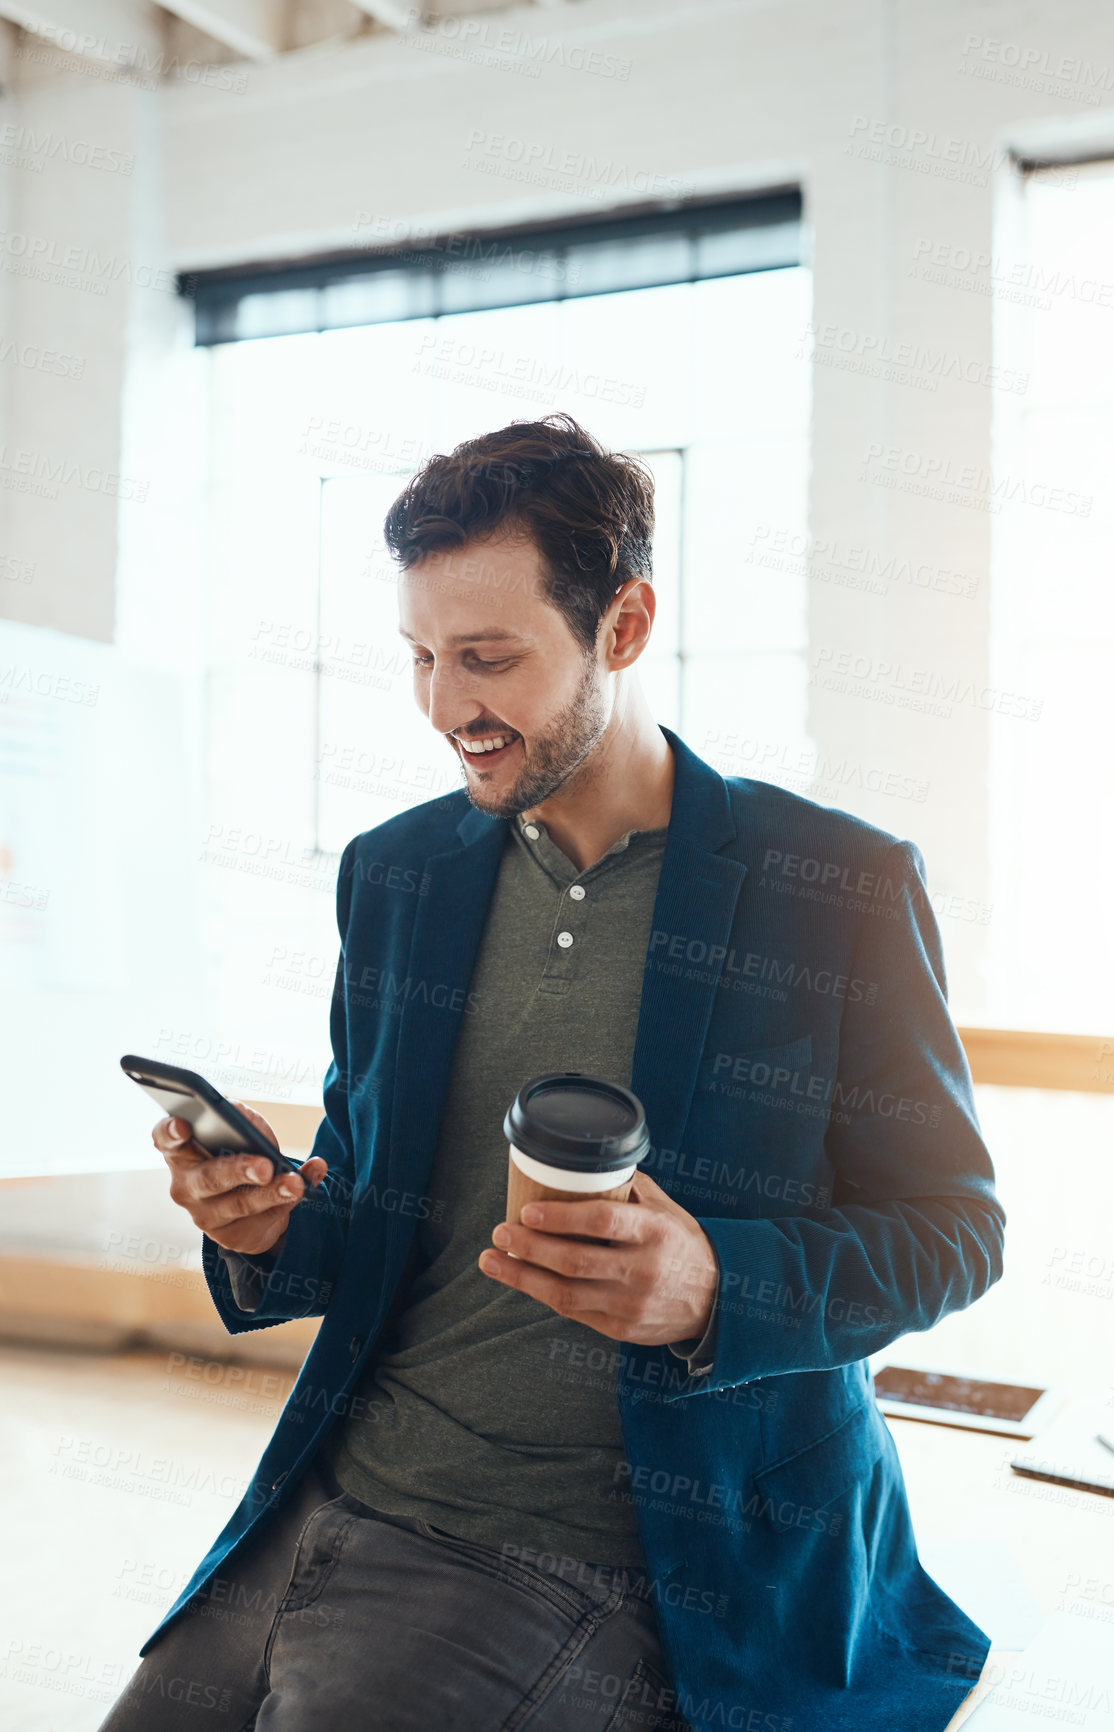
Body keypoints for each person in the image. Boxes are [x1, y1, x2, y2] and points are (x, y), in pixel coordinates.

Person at [100, 413, 1005, 1732]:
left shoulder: (832, 887)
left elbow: (951, 1234)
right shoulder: (399, 873)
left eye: (487, 658)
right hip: (338, 1483)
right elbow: (364, 1209)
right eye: (418, 657)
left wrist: (712, 1288)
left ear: (623, 626)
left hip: (605, 1542)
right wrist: (270, 1225)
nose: (444, 707)